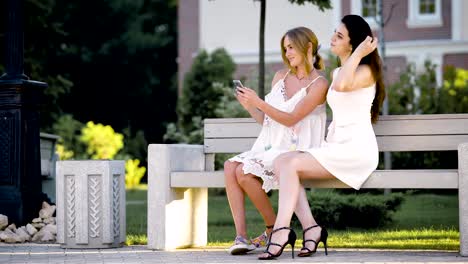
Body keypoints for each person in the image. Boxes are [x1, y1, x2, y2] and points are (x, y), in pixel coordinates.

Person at [257, 14, 386, 260]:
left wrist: (359, 54)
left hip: (357, 151)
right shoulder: (338, 71)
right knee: (282, 162)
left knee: (288, 164)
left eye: (340, 36)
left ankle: (281, 232)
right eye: (334, 33)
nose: (332, 39)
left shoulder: (366, 71)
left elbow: (341, 87)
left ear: (353, 43)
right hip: (335, 147)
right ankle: (311, 229)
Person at [224, 27, 329, 255]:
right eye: (285, 48)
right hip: (273, 144)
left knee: (242, 172)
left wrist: (259, 102)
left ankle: (274, 229)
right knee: (230, 166)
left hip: (298, 150)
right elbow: (268, 122)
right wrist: (250, 106)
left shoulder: (319, 84)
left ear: (308, 47)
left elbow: (292, 119)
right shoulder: (281, 77)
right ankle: (241, 237)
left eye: (291, 47)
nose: (287, 52)